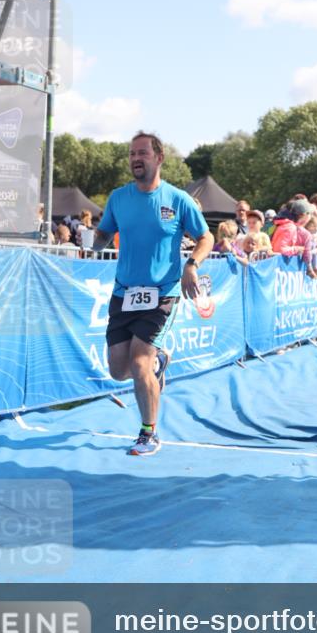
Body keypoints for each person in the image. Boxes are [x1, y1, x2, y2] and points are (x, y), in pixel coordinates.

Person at [91, 131, 214, 457]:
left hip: (162, 293)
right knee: (118, 370)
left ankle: (148, 433)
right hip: (124, 293)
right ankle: (159, 362)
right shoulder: (119, 197)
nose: (136, 159)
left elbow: (206, 238)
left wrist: (192, 266)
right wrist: (94, 243)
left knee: (139, 362)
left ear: (159, 158)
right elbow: (105, 230)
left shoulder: (178, 200)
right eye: (132, 153)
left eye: (142, 153)